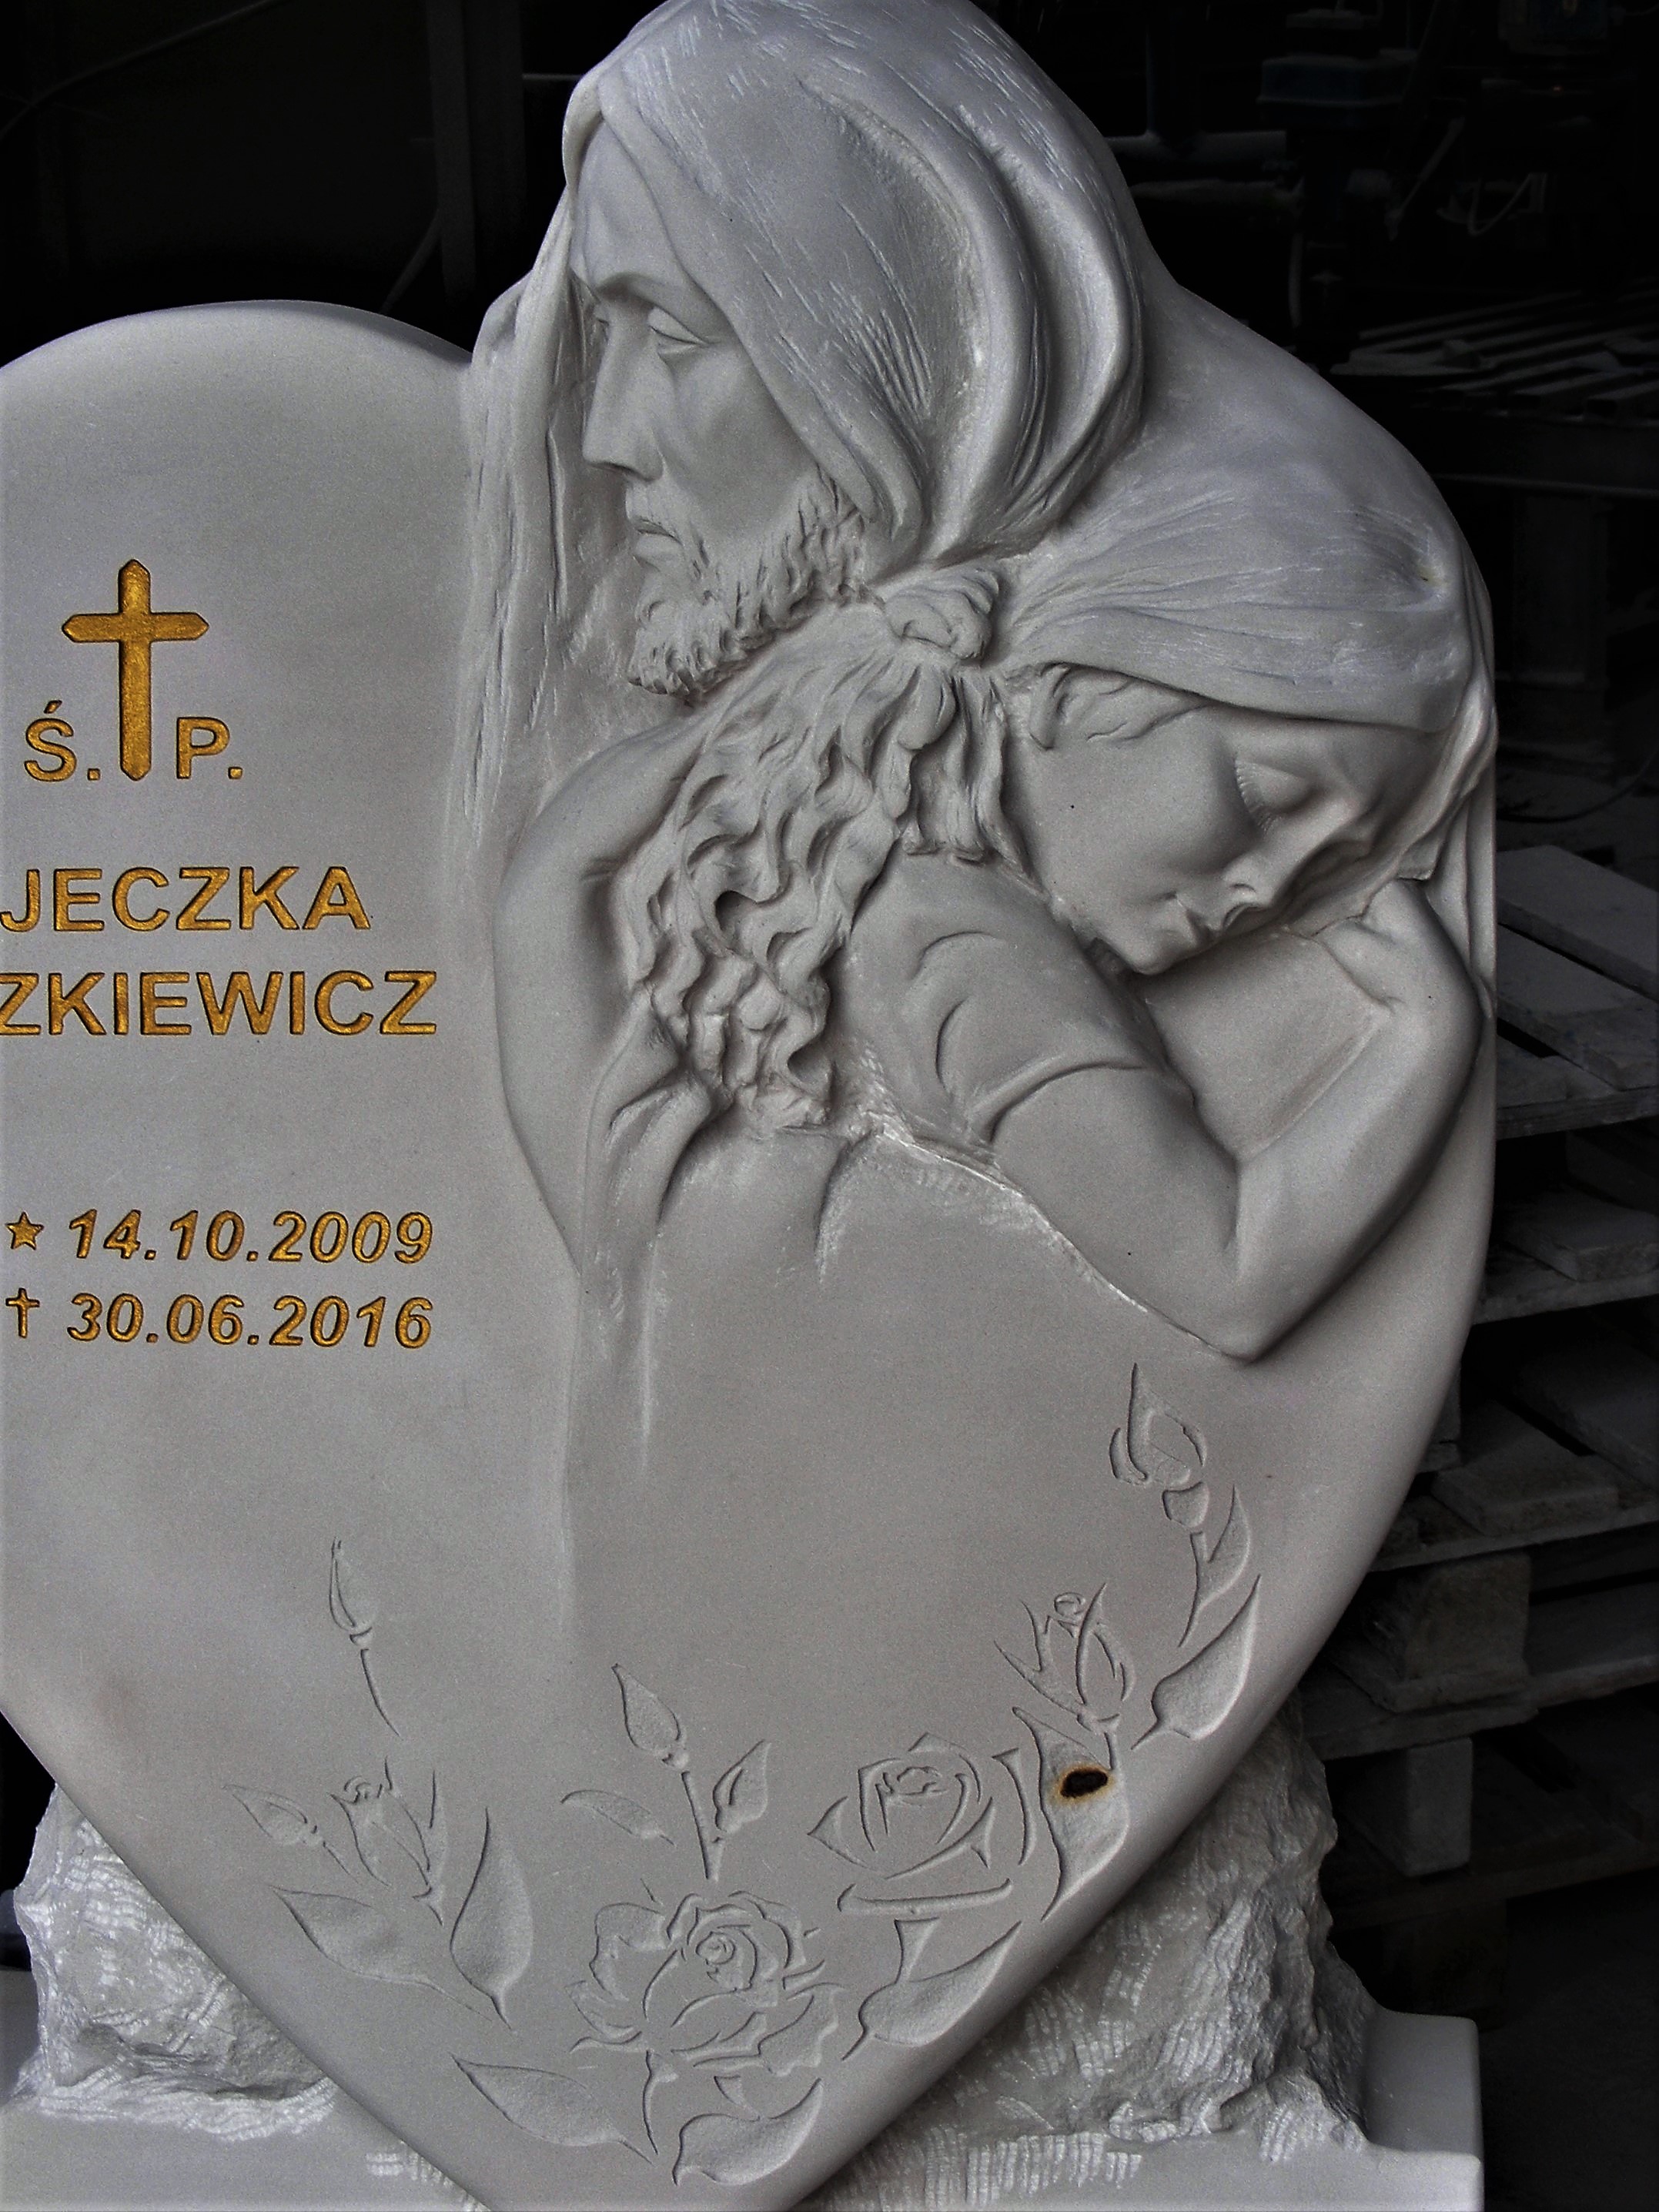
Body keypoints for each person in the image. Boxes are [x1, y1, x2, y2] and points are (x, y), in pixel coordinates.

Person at [480, 0, 1492, 1487]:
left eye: (672, 334)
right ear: (1077, 696)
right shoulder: (968, 953)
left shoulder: (786, 853)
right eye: (1273, 800)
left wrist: (567, 869)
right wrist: (1426, 1042)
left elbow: (593, 1129)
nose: (1282, 888)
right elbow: (1233, 1272)